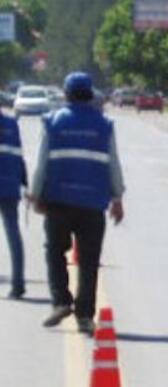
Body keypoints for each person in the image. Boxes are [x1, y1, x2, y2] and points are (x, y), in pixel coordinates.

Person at [29, 72, 125, 333]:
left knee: (55, 252)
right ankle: (84, 316)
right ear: (90, 94)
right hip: (93, 205)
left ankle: (61, 301)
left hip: (58, 201)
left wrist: (35, 196)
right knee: (89, 260)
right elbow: (113, 165)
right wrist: (117, 198)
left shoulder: (53, 122)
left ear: (67, 94)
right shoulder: (105, 124)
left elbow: (41, 164)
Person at [0, 107, 27, 299]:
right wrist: (24, 182)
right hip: (9, 185)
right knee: (13, 234)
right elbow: (18, 156)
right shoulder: (11, 124)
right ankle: (18, 284)